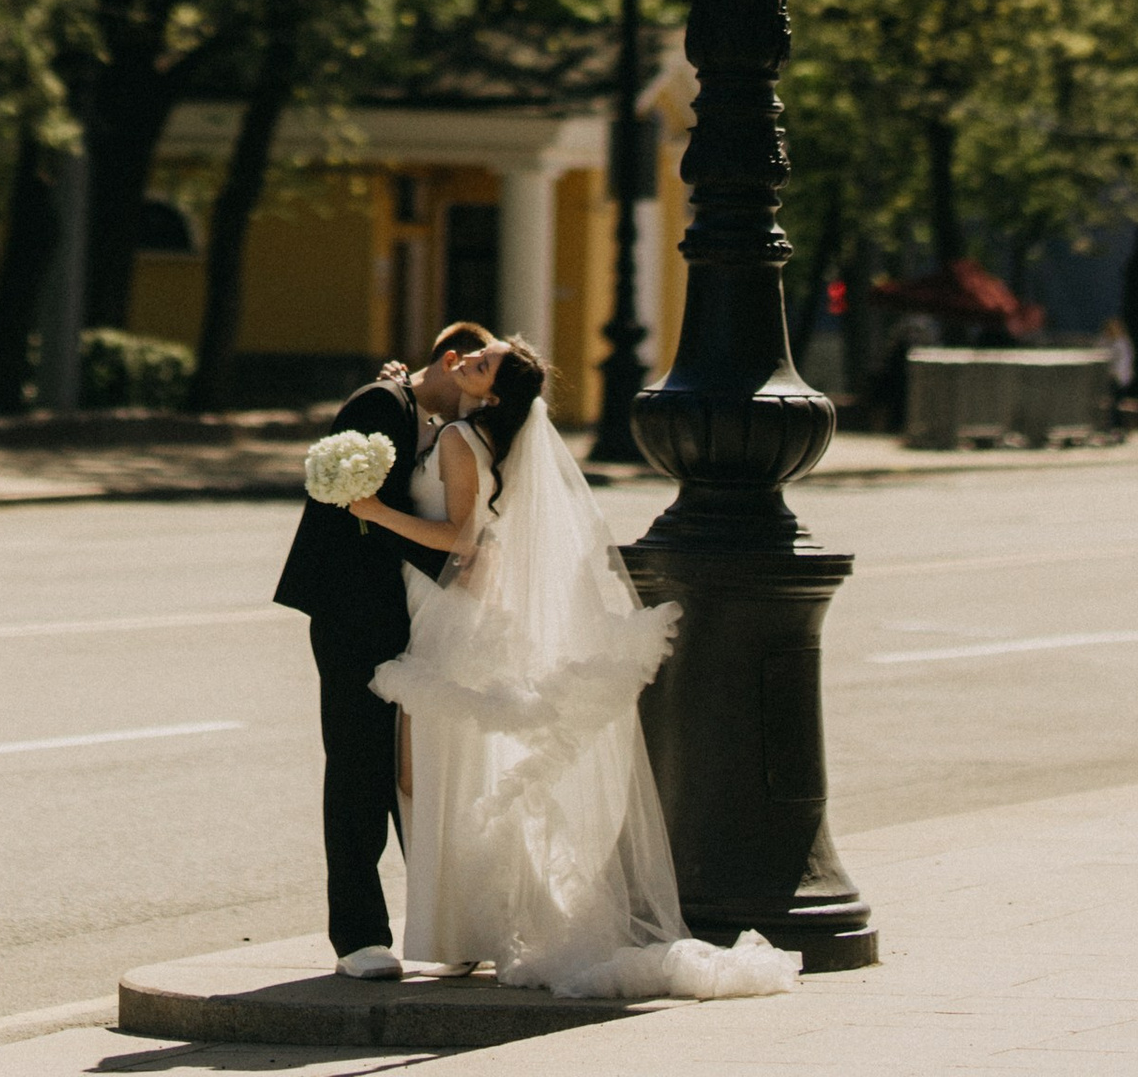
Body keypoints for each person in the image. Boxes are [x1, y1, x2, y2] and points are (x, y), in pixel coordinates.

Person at [354, 338, 795, 1001]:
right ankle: (461, 928)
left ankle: (466, 929)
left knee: (431, 770)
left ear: (494, 395)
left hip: (448, 617)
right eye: (473, 355)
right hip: (448, 611)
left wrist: (377, 513)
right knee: (440, 769)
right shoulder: (475, 436)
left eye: (480, 365)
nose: (467, 362)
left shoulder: (458, 441)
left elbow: (464, 539)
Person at [271, 319, 494, 977]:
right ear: (450, 362)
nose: (483, 404)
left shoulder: (442, 425)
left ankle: (447, 922)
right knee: (358, 767)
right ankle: (360, 937)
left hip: (416, 618)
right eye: (477, 382)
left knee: (420, 772)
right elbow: (353, 508)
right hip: (353, 614)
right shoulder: (383, 405)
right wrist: (455, 558)